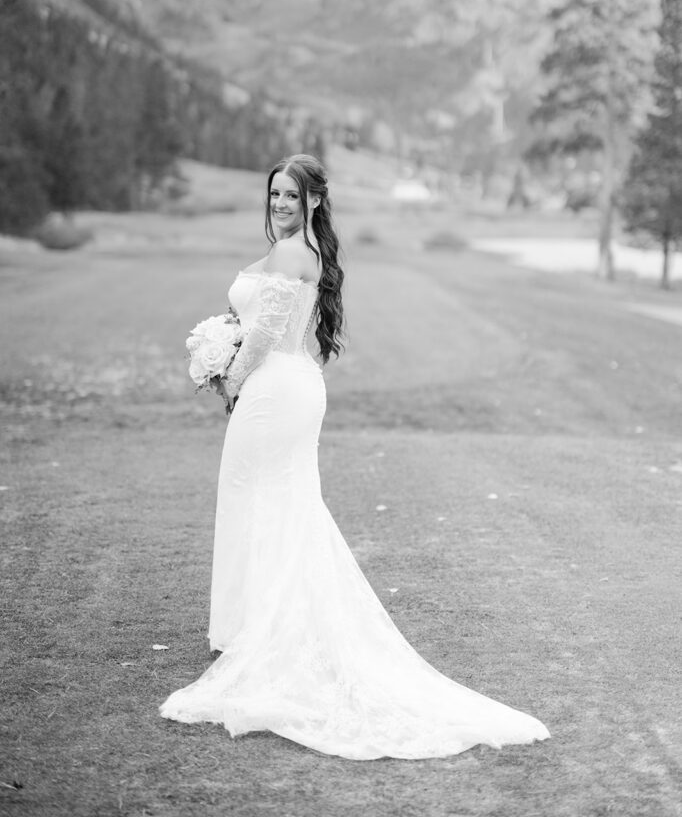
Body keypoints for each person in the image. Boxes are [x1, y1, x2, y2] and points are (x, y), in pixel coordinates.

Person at [160, 153, 550, 760]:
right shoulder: (302, 253)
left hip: (272, 389)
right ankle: (258, 626)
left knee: (257, 499)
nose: (281, 204)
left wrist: (228, 377)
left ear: (314, 200)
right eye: (274, 195)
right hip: (290, 385)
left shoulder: (292, 254)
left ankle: (257, 633)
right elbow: (285, 334)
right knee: (282, 504)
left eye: (291, 195)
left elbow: (265, 337)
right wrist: (229, 353)